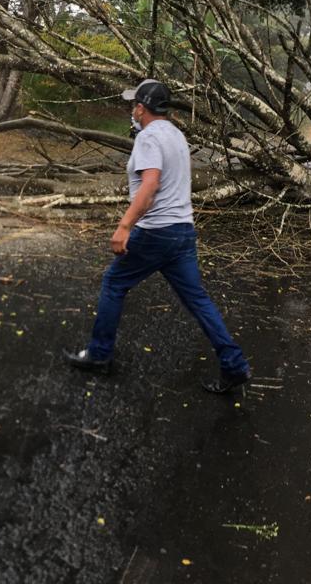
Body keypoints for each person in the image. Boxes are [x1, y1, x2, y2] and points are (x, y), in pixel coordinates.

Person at [63, 79, 252, 394]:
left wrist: (124, 226)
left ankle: (99, 354)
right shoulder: (176, 135)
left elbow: (150, 185)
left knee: (114, 283)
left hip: (156, 232)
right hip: (182, 232)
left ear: (141, 107)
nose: (132, 110)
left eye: (134, 105)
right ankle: (234, 365)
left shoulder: (149, 137)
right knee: (197, 299)